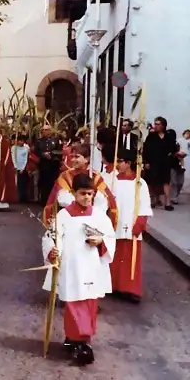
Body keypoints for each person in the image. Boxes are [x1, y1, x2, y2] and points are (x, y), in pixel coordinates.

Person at [42, 173, 116, 365]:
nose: (87, 198)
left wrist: (101, 242)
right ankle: (79, 341)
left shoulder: (99, 216)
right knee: (74, 303)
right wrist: (52, 251)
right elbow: (50, 236)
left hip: (92, 267)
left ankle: (81, 340)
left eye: (90, 194)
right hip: (72, 266)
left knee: (90, 305)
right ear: (74, 193)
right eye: (83, 194)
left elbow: (110, 237)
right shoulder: (63, 215)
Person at [43, 142, 118, 232]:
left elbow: (103, 201)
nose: (73, 160)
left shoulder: (95, 177)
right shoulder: (65, 176)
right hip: (70, 220)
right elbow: (62, 198)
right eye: (72, 157)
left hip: (92, 223)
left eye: (77, 157)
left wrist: (92, 216)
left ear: (86, 159)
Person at [109, 149, 152, 303]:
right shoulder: (112, 180)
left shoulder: (140, 183)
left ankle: (129, 288)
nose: (117, 164)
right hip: (114, 224)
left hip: (131, 225)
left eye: (120, 161)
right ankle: (112, 286)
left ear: (128, 163)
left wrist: (140, 223)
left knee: (130, 257)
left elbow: (144, 205)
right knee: (113, 256)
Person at [143, 116, 176, 210]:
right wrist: (146, 162)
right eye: (155, 124)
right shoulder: (151, 136)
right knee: (151, 181)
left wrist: (171, 155)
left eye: (158, 124)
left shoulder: (168, 136)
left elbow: (173, 147)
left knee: (166, 181)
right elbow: (146, 150)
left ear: (163, 125)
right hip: (153, 161)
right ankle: (153, 200)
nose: (155, 126)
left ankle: (167, 202)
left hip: (165, 162)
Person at [34, 125, 62, 206]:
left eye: (48, 130)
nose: (46, 132)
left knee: (52, 183)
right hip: (43, 165)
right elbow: (36, 151)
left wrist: (51, 154)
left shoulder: (56, 140)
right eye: (44, 130)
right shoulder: (39, 141)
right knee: (43, 183)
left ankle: (52, 201)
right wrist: (43, 154)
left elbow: (60, 151)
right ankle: (43, 200)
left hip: (53, 165)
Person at [12, 135, 30, 203]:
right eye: (20, 141)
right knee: (16, 182)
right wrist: (15, 166)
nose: (21, 142)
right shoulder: (14, 148)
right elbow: (13, 157)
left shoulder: (26, 148)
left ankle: (22, 197)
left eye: (22, 141)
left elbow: (25, 159)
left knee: (23, 183)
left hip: (23, 167)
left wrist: (23, 168)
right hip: (16, 167)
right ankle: (16, 197)